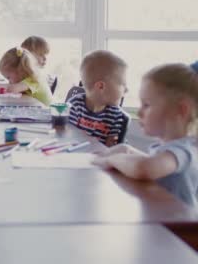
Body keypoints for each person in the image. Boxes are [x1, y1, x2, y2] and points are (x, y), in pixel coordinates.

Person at [93, 63, 198, 206]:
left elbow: (145, 168)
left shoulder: (183, 151)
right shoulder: (171, 149)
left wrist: (113, 160)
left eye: (147, 105)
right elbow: (155, 165)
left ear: (181, 109)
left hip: (177, 228)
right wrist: (126, 150)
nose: (139, 112)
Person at [68, 50, 129, 146]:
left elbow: (110, 149)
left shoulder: (116, 115)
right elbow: (67, 138)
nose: (126, 90)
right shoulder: (75, 106)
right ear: (101, 86)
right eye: (123, 85)